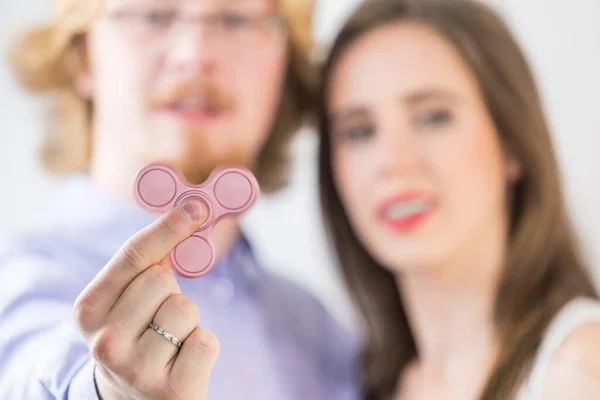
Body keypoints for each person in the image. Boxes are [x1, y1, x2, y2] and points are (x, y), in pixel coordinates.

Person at [0, 0, 359, 399]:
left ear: (284, 64)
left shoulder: (323, 336)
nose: (196, 55)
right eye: (152, 15)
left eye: (236, 19)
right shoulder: (16, 287)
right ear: (83, 57)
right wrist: (105, 389)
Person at [316, 0, 600, 399]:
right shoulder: (362, 383)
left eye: (433, 117)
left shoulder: (581, 369)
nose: (392, 162)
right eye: (359, 131)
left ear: (512, 142)